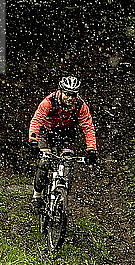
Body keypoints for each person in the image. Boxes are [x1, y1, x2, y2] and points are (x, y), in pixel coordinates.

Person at [28, 76, 97, 214]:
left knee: (68, 161)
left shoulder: (80, 106)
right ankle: (37, 197)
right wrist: (33, 140)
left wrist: (92, 150)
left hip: (66, 134)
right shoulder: (49, 102)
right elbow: (37, 120)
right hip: (45, 132)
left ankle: (63, 195)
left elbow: (88, 127)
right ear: (60, 91)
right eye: (67, 94)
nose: (70, 98)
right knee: (45, 161)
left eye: (73, 95)